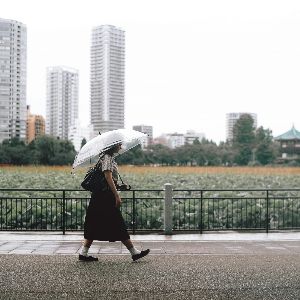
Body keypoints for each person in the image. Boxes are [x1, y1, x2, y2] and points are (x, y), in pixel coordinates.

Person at [79, 143, 150, 262]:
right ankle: (134, 252)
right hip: (104, 197)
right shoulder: (107, 158)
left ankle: (83, 253)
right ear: (113, 146)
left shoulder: (106, 157)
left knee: (94, 222)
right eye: (119, 145)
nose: (121, 147)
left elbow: (108, 179)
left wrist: (119, 186)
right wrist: (116, 195)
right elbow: (107, 177)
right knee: (117, 222)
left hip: (100, 196)